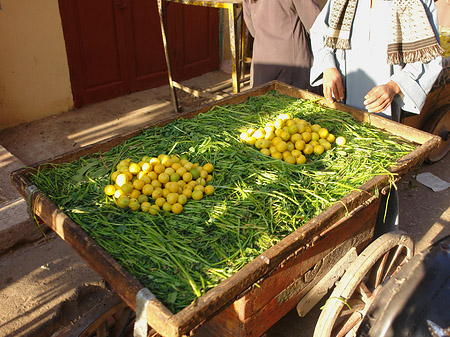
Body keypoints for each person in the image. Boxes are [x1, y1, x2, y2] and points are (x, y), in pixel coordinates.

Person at [309, 0, 443, 236]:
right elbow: (320, 32)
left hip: (383, 108)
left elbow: (429, 57)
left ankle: (380, 234)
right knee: (335, 166)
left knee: (378, 174)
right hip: (341, 103)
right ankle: (336, 233)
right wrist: (328, 67)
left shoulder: (415, 3)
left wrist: (394, 86)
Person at [242, 0, 321, 92]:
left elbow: (251, 28)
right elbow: (316, 25)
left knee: (263, 102)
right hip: (291, 61)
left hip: (262, 60)